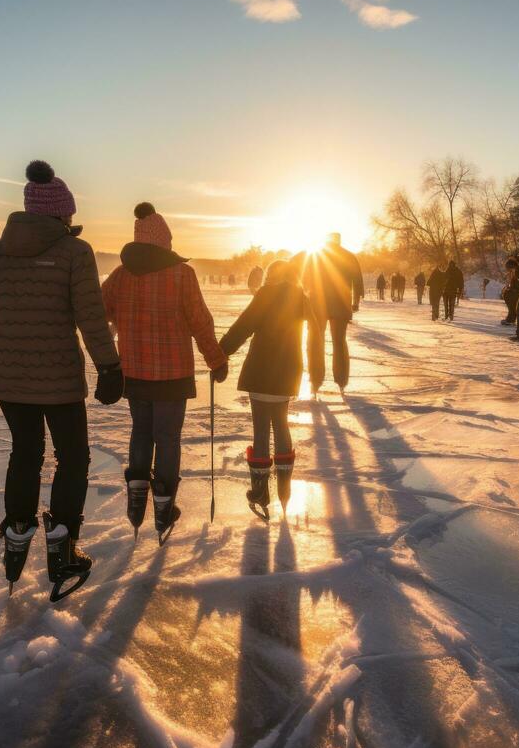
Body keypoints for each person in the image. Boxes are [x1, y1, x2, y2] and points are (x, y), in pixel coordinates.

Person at [0, 160, 123, 598]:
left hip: (11, 381)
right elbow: (90, 317)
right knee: (73, 457)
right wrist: (109, 367)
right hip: (58, 379)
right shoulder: (75, 253)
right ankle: (63, 548)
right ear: (61, 213)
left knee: (25, 452)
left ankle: (17, 535)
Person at [102, 202, 227, 542]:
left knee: (142, 433)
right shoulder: (181, 274)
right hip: (172, 374)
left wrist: (109, 355)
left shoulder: (120, 275)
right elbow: (200, 321)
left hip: (135, 372)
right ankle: (163, 507)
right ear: (165, 240)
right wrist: (216, 360)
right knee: (167, 437)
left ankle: (137, 503)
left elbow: (100, 312)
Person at [219, 260, 314, 518]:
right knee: (281, 425)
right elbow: (316, 323)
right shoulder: (300, 298)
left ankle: (260, 492)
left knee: (261, 431)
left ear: (270, 276)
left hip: (261, 373)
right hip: (286, 375)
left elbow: (244, 326)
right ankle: (284, 488)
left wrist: (221, 351)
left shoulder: (265, 295)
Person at [297, 233, 364, 395]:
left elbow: (304, 279)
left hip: (317, 304)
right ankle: (341, 380)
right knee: (339, 342)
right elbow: (358, 281)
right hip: (341, 305)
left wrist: (303, 298)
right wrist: (355, 302)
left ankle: (316, 379)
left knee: (315, 340)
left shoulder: (316, 256)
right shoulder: (349, 256)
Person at [500, 257, 519, 325]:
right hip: (514, 290)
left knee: (511, 301)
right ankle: (510, 318)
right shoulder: (513, 272)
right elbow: (512, 283)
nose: (508, 270)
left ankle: (511, 319)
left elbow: (518, 284)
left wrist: (512, 289)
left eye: (508, 268)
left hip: (517, 292)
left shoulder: (517, 272)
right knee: (506, 294)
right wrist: (508, 288)